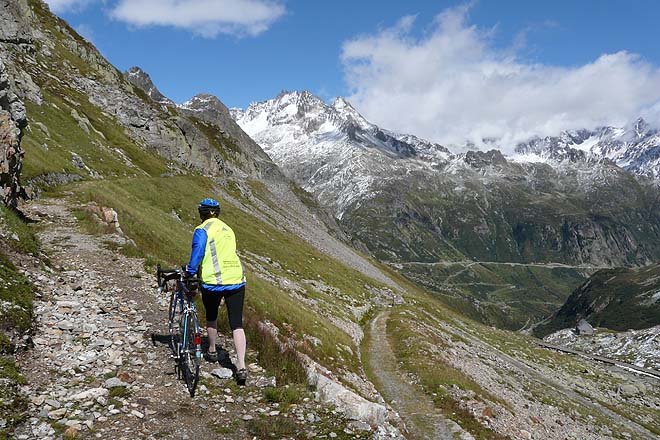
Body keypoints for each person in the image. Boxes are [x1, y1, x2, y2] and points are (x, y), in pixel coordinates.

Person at [186, 198, 248, 385]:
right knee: (236, 323)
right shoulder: (228, 229)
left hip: (214, 281)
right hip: (236, 279)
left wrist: (190, 271)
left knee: (212, 315)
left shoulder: (202, 230)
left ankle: (212, 350)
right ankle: (241, 365)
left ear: (202, 213)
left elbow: (198, 253)